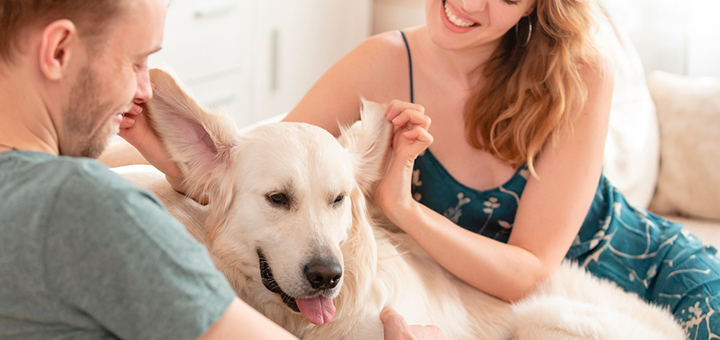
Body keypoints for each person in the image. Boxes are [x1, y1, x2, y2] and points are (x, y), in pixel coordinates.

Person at [277, 0, 719, 338]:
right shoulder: (380, 64)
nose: (469, 4)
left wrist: (403, 207)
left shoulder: (580, 72)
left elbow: (528, 271)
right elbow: (263, 163)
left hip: (647, 274)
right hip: (509, 314)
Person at [0, 1, 441, 339]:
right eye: (135, 62)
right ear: (58, 50)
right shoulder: (88, 206)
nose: (142, 89)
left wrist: (187, 172)